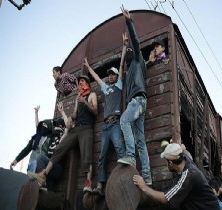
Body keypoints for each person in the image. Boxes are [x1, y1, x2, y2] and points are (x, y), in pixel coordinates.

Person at [29, 75, 98, 192]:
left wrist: (85, 102)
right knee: (59, 148)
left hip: (87, 128)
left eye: (82, 81)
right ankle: (44, 174)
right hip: (76, 128)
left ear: (87, 83)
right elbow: (75, 114)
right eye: (79, 81)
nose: (80, 83)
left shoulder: (92, 95)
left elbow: (95, 111)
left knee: (86, 156)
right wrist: (71, 118)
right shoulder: (78, 97)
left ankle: (88, 183)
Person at [82, 33, 128, 195]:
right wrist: (88, 68)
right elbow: (96, 77)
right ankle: (100, 186)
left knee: (120, 152)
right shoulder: (105, 88)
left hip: (115, 123)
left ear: (116, 77)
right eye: (109, 74)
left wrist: (123, 47)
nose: (110, 76)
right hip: (106, 126)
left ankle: (125, 181)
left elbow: (122, 67)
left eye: (112, 74)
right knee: (102, 157)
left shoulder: (118, 86)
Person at [117, 6, 152, 185]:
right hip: (139, 102)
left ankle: (130, 156)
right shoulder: (129, 69)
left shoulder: (138, 61)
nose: (131, 54)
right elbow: (123, 63)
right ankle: (147, 176)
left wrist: (129, 21)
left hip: (138, 101)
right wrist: (124, 46)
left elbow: (136, 44)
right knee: (141, 141)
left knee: (123, 121)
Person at [133, 143, 219, 210]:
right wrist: (180, 148)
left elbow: (165, 198)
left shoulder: (188, 176)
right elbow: (185, 151)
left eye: (166, 162)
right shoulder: (185, 159)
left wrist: (144, 187)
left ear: (170, 163)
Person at [27, 103, 69, 190]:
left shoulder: (63, 138)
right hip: (48, 166)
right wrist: (36, 113)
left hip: (56, 168)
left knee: (40, 158)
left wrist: (62, 111)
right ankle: (40, 184)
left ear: (62, 127)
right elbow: (38, 127)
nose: (58, 128)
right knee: (47, 189)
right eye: (57, 126)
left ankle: (40, 180)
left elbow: (68, 127)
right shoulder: (51, 137)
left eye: (60, 126)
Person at [10, 106, 53, 173]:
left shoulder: (50, 139)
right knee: (30, 182)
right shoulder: (35, 138)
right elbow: (26, 150)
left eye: (45, 125)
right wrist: (16, 160)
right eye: (42, 125)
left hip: (43, 166)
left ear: (49, 127)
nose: (43, 127)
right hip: (32, 164)